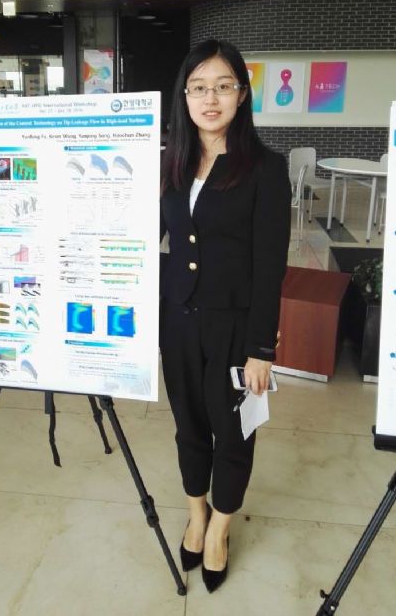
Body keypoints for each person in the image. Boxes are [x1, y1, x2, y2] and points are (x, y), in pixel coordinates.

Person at [159, 38, 291, 593]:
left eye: (222, 86)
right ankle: (197, 513)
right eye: (198, 87)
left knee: (234, 433)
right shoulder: (171, 161)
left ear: (242, 94)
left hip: (235, 327)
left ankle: (220, 529)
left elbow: (269, 265)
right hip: (178, 321)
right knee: (188, 424)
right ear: (184, 95)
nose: (209, 99)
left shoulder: (266, 168)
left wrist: (262, 349)